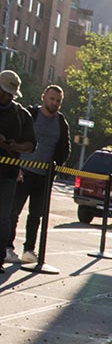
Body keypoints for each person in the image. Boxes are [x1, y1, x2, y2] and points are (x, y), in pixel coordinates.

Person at [10, 85, 71, 264]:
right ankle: (7, 247)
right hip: (23, 171)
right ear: (43, 96)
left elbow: (64, 149)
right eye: (52, 99)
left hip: (44, 176)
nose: (54, 103)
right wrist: (16, 167)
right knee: (13, 212)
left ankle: (29, 250)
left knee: (36, 215)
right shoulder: (30, 115)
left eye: (58, 101)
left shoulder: (61, 122)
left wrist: (56, 168)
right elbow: (16, 138)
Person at [0, 70, 36, 275]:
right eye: (5, 92)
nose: (8, 97)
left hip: (8, 174)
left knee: (3, 217)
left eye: (11, 93)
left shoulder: (21, 115)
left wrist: (15, 146)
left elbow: (31, 145)